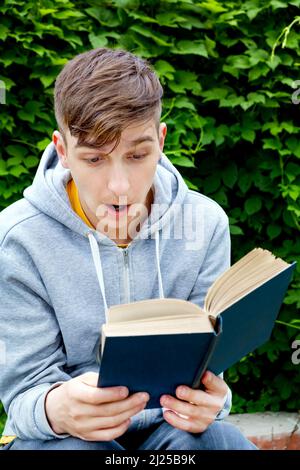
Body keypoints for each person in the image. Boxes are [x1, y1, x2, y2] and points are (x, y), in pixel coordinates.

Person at [0, 48, 257, 450]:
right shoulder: (17, 238)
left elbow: (210, 371)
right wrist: (56, 407)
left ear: (161, 140)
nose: (119, 186)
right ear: (62, 150)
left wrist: (213, 402)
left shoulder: (206, 224)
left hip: (172, 427)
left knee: (216, 441)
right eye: (94, 158)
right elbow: (22, 398)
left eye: (137, 155)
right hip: (67, 439)